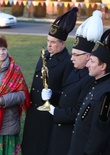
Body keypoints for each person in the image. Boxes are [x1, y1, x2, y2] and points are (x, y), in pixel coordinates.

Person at [21, 7, 78, 155]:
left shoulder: (67, 62)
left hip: (48, 115)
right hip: (34, 111)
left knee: (40, 148)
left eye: (53, 42)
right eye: (48, 41)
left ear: (63, 44)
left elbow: (67, 94)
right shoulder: (44, 55)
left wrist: (52, 95)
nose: (49, 45)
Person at [47, 10, 104, 155]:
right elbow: (67, 95)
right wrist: (52, 96)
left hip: (69, 133)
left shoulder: (90, 78)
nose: (71, 58)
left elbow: (79, 109)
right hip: (58, 131)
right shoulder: (75, 69)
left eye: (75, 55)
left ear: (88, 56)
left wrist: (55, 111)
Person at [67, 29, 110, 155]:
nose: (87, 65)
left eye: (92, 61)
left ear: (103, 66)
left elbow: (98, 136)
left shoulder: (106, 93)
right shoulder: (98, 84)